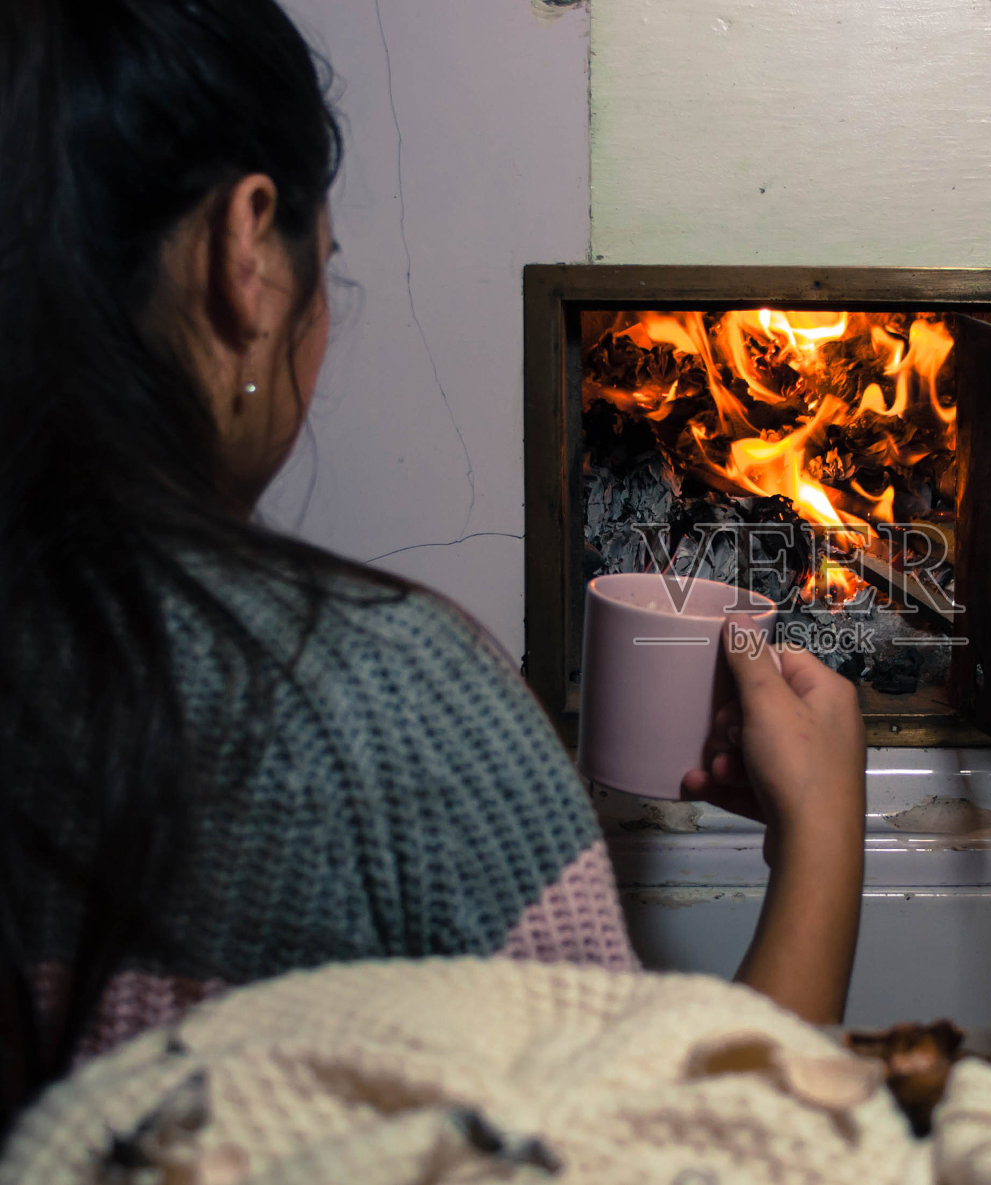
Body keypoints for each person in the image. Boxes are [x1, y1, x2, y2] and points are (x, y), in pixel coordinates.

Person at [0, 0, 866, 1126]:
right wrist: (824, 836)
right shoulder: (394, 710)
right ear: (244, 251)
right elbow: (657, 1154)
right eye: (325, 262)